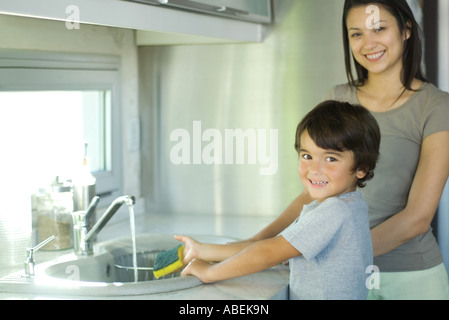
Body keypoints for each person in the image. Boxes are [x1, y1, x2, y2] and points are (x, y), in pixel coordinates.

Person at [240, 0, 449, 300]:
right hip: (337, 279)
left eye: (379, 28)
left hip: (410, 279)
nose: (369, 43)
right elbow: (313, 194)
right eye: (356, 34)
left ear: (405, 31)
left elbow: (418, 216)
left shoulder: (436, 106)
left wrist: (334, 250)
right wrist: (261, 241)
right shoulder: (338, 98)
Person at [176, 100, 381, 300]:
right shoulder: (351, 205)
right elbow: (275, 247)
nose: (314, 169)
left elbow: (267, 252)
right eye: (307, 156)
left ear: (362, 168)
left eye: (331, 159)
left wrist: (210, 272)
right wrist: (202, 250)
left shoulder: (334, 211)